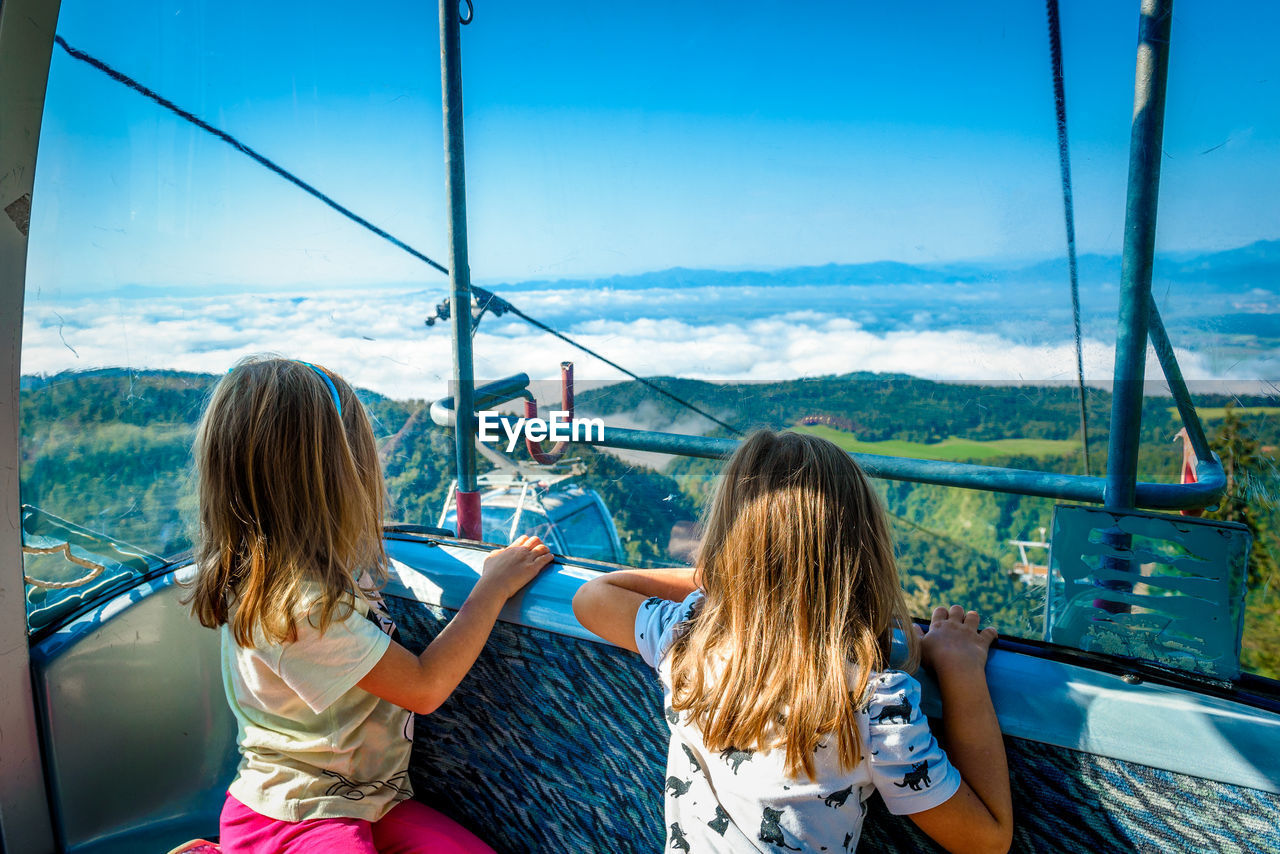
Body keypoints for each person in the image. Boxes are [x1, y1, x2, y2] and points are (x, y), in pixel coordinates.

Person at [573, 429, 1013, 853]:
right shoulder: (870, 702)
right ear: (867, 553)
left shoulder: (686, 637)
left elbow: (592, 597)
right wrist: (961, 669)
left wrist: (728, 577)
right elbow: (987, 841)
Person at [186, 356, 553, 854]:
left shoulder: (318, 562)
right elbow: (423, 688)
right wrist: (491, 586)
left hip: (370, 796)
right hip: (295, 810)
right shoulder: (297, 607)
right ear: (333, 476)